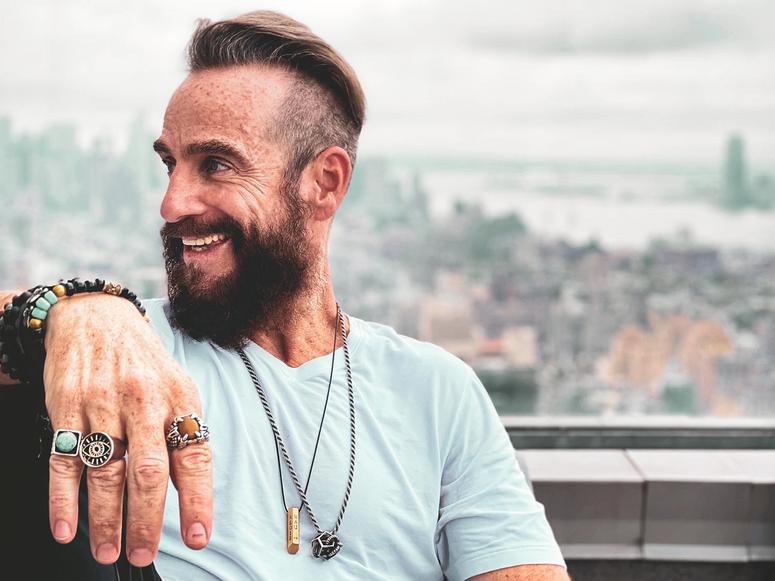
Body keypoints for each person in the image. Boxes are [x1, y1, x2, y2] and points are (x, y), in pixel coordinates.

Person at [1, 10, 569, 581]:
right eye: (171, 164)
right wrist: (73, 311)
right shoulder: (122, 351)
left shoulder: (438, 390)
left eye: (215, 164)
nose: (172, 203)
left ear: (324, 183)